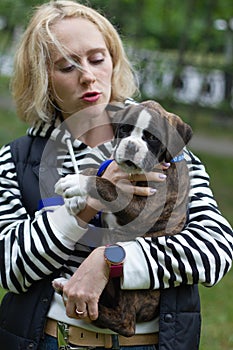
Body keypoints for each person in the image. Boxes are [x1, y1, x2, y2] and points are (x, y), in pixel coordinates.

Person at [0, 1, 232, 349]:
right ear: (42, 77)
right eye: (67, 66)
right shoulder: (17, 159)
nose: (88, 76)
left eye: (97, 59)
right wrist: (86, 204)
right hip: (52, 340)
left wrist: (112, 261)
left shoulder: (161, 143)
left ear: (114, 61)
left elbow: (214, 249)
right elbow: (10, 269)